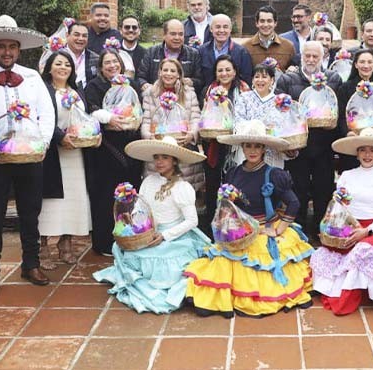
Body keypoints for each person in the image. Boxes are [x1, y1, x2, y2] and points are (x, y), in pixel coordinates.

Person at [184, 120, 314, 317]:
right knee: (222, 259)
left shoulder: (274, 174)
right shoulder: (233, 173)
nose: (252, 150)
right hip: (240, 230)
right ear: (242, 148)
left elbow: (294, 203)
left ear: (264, 149)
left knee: (256, 263)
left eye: (257, 146)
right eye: (248, 145)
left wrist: (278, 229)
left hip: (263, 229)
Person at [0, 15, 55, 296]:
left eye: (12, 47)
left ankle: (31, 264)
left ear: (19, 49)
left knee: (30, 212)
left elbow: (46, 113)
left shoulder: (32, 77)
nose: (7, 52)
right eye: (2, 46)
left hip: (30, 156)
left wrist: (42, 144)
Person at [94, 137, 210, 314]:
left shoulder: (182, 187)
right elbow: (142, 209)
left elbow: (192, 220)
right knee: (124, 248)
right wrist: (133, 220)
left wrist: (165, 235)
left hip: (173, 234)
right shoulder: (149, 181)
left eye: (165, 157)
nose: (159, 162)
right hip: (149, 230)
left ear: (174, 160)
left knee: (164, 258)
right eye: (156, 157)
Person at [311, 128, 373, 315]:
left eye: (372, 150)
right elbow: (340, 209)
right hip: (350, 227)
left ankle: (353, 295)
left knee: (361, 250)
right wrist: (331, 228)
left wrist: (366, 232)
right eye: (363, 150)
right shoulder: (347, 176)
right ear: (357, 153)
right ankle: (333, 287)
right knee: (323, 252)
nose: (367, 155)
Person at [276, 41, 342, 239]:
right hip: (298, 147)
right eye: (308, 56)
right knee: (298, 190)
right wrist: (285, 142)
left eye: (315, 56)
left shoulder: (333, 79)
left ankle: (321, 232)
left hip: (325, 145)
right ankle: (298, 233)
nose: (311, 60)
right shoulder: (288, 79)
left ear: (323, 58)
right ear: (301, 56)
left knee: (323, 190)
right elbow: (279, 113)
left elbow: (338, 109)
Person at [85, 49, 144, 255]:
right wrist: (109, 118)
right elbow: (91, 110)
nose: (112, 66)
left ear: (121, 64)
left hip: (130, 145)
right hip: (106, 148)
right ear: (101, 68)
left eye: (115, 62)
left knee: (131, 193)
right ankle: (105, 242)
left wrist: (134, 119)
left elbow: (139, 108)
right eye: (107, 63)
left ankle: (131, 237)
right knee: (105, 195)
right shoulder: (95, 86)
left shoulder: (131, 84)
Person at [39, 51, 94, 270]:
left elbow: (85, 118)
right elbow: (41, 120)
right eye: (58, 64)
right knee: (49, 202)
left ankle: (66, 241)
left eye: (67, 64)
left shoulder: (77, 90)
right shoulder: (44, 90)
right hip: (53, 153)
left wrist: (91, 133)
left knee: (74, 198)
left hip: (75, 154)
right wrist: (60, 137)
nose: (63, 68)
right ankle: (43, 246)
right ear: (49, 68)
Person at [201, 55, 251, 227]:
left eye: (228, 69)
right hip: (214, 144)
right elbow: (204, 116)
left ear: (235, 71)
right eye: (220, 70)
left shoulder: (244, 90)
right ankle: (214, 224)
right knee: (213, 185)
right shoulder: (209, 90)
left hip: (237, 144)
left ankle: (237, 224)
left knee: (236, 184)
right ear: (215, 73)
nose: (224, 73)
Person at [140, 58, 202, 189]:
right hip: (159, 148)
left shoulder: (189, 93)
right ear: (160, 72)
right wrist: (149, 136)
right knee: (158, 191)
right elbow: (146, 120)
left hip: (182, 147)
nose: (168, 74)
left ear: (179, 74)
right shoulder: (150, 93)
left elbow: (196, 118)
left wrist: (191, 134)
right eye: (165, 70)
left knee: (181, 191)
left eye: (173, 71)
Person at [336, 49, 373, 171]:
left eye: (370, 62)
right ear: (356, 64)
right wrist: (347, 132)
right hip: (353, 144)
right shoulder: (345, 88)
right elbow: (341, 116)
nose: (366, 66)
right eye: (362, 62)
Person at [234, 62, 293, 169]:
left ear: (272, 80)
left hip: (273, 154)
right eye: (257, 77)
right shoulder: (244, 98)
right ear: (252, 80)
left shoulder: (280, 101)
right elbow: (238, 123)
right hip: (249, 152)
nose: (260, 80)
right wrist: (258, 128)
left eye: (264, 77)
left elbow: (286, 127)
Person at [137, 19, 203, 96]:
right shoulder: (151, 52)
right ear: (164, 35)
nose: (177, 37)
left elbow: (201, 80)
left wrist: (192, 82)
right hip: (155, 98)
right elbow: (140, 77)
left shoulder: (193, 54)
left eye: (181, 34)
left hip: (183, 99)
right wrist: (143, 84)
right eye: (173, 34)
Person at [199, 14, 253, 91]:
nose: (221, 30)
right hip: (207, 95)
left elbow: (246, 80)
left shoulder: (242, 52)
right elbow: (200, 79)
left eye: (225, 27)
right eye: (218, 27)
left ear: (230, 29)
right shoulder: (202, 51)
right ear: (211, 29)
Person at [243, 5, 297, 71]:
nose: (266, 25)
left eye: (269, 21)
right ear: (257, 23)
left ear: (275, 23)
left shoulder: (288, 47)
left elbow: (293, 73)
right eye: (262, 21)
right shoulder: (246, 47)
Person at [62, 22, 99, 90]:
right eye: (76, 35)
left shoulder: (95, 59)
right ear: (67, 35)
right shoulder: (57, 56)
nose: (80, 39)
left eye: (84, 36)